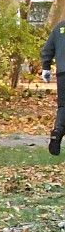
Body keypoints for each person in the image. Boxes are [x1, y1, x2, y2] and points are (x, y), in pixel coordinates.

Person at [43, 17, 65, 156]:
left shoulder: (59, 27)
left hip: (62, 73)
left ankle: (57, 131)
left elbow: (48, 49)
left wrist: (46, 67)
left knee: (63, 106)